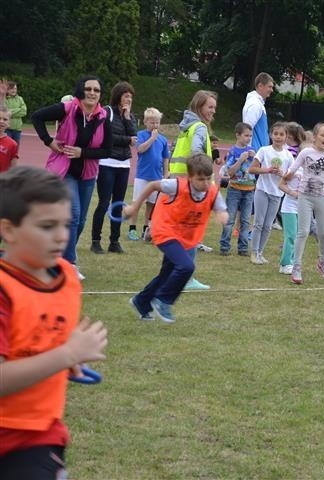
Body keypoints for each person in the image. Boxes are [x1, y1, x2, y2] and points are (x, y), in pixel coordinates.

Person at [0, 166, 108, 478]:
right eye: (47, 226)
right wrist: (67, 354)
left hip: (39, 434)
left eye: (65, 224)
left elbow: (39, 338)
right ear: (8, 230)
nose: (61, 235)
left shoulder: (67, 279)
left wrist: (63, 358)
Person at [124, 154, 228, 323]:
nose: (206, 183)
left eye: (209, 178)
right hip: (165, 231)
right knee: (186, 267)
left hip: (186, 238)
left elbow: (221, 208)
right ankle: (163, 301)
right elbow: (152, 185)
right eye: (200, 179)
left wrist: (222, 215)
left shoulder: (212, 192)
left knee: (167, 274)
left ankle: (141, 302)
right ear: (190, 177)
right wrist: (134, 207)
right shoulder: (176, 186)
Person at [31, 76, 112, 279]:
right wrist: (48, 141)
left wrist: (81, 153)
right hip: (64, 169)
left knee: (81, 219)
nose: (92, 93)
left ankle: (57, 257)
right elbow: (37, 117)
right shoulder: (67, 108)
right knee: (74, 214)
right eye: (88, 89)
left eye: (97, 90)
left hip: (87, 172)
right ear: (81, 91)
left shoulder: (103, 117)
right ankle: (69, 264)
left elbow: (107, 150)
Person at [283, 123, 324, 284]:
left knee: (322, 233)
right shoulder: (306, 152)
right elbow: (293, 168)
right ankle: (297, 266)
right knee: (303, 231)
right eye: (323, 135)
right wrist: (287, 175)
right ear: (314, 137)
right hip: (305, 197)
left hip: (322, 198)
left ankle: (323, 262)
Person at [167, 89, 217, 289]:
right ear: (199, 107)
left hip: (180, 180)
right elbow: (196, 152)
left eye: (214, 107)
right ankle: (185, 277)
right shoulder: (199, 128)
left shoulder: (186, 126)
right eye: (210, 107)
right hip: (190, 183)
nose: (213, 111)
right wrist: (202, 178)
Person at [90, 81, 137, 255]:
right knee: (103, 203)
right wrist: (127, 140)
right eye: (126, 95)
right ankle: (95, 241)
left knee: (118, 204)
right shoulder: (107, 112)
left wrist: (126, 117)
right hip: (107, 163)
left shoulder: (130, 116)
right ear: (118, 96)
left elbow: (134, 136)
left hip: (124, 165)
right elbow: (106, 137)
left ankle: (114, 241)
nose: (129, 99)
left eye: (131, 96)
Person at [248, 122, 292, 265]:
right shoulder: (264, 150)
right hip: (262, 190)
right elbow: (252, 169)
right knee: (258, 223)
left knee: (268, 225)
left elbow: (291, 176)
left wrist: (282, 174)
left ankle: (260, 252)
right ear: (271, 135)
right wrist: (266, 170)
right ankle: (254, 253)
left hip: (277, 194)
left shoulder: (288, 156)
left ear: (286, 137)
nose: (278, 137)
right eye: (276, 134)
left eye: (282, 134)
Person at [128, 107, 169, 242]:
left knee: (151, 205)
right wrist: (152, 139)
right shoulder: (141, 135)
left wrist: (166, 172)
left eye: (157, 122)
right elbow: (140, 149)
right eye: (152, 122)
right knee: (137, 203)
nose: (155, 125)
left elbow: (165, 157)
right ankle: (132, 229)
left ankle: (146, 229)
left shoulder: (162, 139)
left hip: (156, 177)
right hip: (142, 175)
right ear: (145, 122)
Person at [219, 122, 255, 256]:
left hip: (249, 189)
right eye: (246, 135)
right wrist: (240, 160)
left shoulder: (252, 150)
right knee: (230, 219)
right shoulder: (233, 151)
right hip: (234, 189)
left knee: (245, 220)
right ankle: (224, 246)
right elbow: (229, 172)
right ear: (237, 135)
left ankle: (243, 248)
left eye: (250, 136)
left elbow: (254, 170)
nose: (248, 138)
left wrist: (255, 158)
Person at [242, 72, 274, 153]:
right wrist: (248, 150)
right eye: (269, 87)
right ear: (260, 86)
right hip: (255, 152)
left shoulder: (257, 103)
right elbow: (248, 128)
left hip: (258, 152)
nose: (271, 90)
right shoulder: (255, 104)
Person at [0, 80, 27, 146]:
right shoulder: (4, 99)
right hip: (7, 129)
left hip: (17, 130)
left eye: (15, 88)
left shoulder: (20, 99)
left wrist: (9, 112)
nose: (14, 90)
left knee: (15, 148)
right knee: (6, 147)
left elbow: (24, 111)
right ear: (7, 90)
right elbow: (3, 111)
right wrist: (18, 110)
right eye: (12, 88)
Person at [0, 106, 19, 172]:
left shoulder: (12, 144)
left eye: (5, 119)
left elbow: (13, 168)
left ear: (9, 123)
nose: (1, 121)